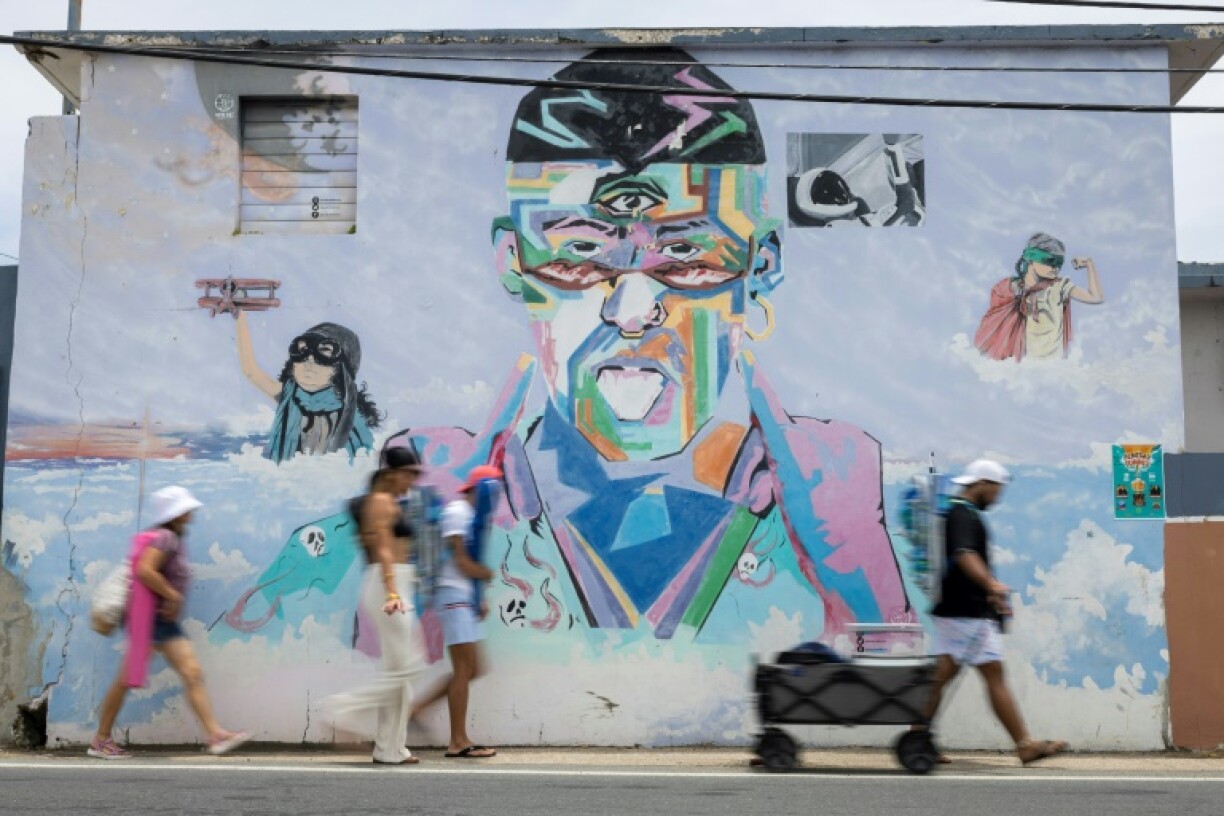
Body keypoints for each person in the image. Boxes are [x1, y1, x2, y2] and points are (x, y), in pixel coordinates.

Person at [378, 48, 912, 647]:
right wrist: (423, 556)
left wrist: (857, 581)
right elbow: (359, 699)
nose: (631, 311)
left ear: (760, 264)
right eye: (580, 253)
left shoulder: (825, 502)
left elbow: (884, 695)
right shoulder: (453, 494)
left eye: (685, 255)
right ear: (513, 262)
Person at [920, 459, 1067, 765]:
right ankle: (1024, 744)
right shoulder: (962, 515)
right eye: (997, 489)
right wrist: (992, 585)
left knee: (940, 677)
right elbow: (964, 554)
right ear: (983, 484)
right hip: (967, 613)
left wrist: (990, 591)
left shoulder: (959, 512)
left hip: (958, 610)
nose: (998, 497)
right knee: (993, 675)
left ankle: (918, 740)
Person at [87, 486, 250, 759]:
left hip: (162, 623)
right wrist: (171, 594)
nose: (191, 512)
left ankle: (216, 734)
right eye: (186, 508)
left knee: (192, 673)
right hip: (152, 622)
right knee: (128, 680)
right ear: (175, 513)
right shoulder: (165, 538)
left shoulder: (170, 537)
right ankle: (101, 740)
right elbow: (145, 571)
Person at [322, 446, 428, 765]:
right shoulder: (381, 502)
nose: (412, 480)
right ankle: (342, 707)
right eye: (408, 473)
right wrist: (393, 592)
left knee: (400, 673)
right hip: (388, 584)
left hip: (396, 583)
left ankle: (390, 748)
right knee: (411, 666)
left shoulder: (388, 501)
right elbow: (382, 548)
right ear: (391, 473)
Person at [411, 465, 501, 759]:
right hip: (452, 596)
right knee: (464, 668)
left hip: (463, 597)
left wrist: (479, 594)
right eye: (494, 487)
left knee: (474, 668)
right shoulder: (457, 512)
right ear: (480, 488)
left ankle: (418, 709)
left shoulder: (472, 516)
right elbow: (462, 561)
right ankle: (458, 741)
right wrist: (484, 575)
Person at [234, 309, 379, 462]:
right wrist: (240, 316)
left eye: (324, 353)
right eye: (302, 352)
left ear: (342, 370)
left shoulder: (351, 416)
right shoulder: (290, 396)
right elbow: (250, 371)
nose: (309, 362)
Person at [974, 232, 1105, 362]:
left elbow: (1096, 297)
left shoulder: (1060, 286)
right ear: (1031, 258)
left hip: (1052, 363)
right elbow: (996, 318)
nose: (1055, 267)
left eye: (1059, 263)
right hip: (1021, 363)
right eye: (1050, 261)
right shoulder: (1009, 288)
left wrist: (1089, 264)